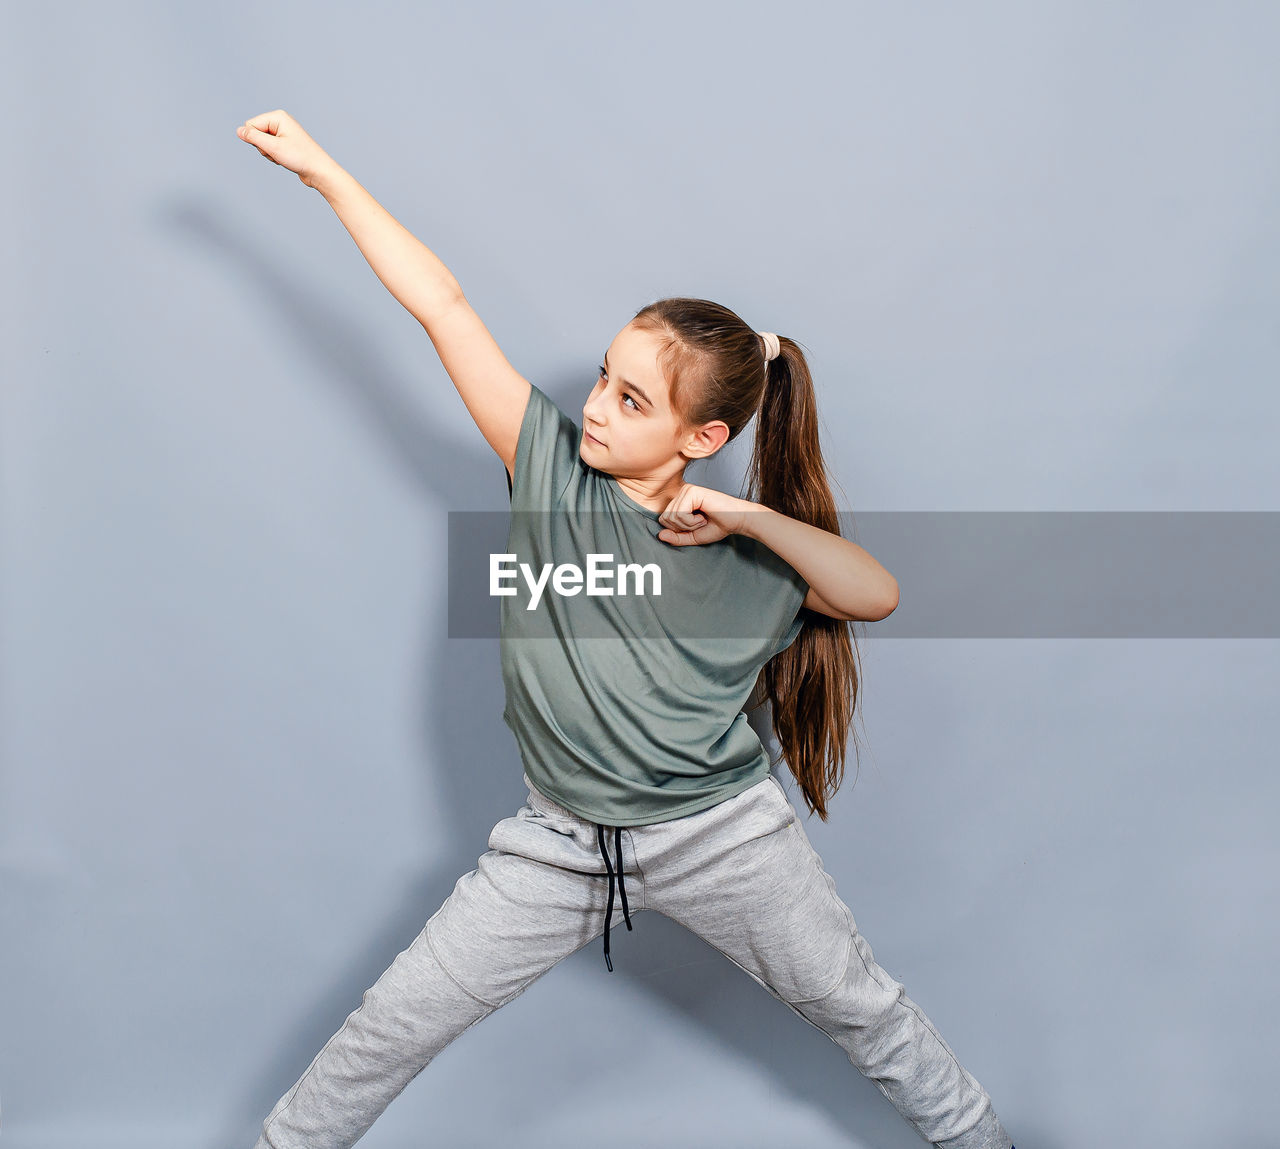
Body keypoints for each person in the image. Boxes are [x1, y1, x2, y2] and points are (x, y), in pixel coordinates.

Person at [236, 110, 1017, 1149]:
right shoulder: (550, 467)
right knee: (389, 1026)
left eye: (629, 398)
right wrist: (322, 171)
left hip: (722, 840)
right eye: (603, 376)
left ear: (700, 438)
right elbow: (441, 304)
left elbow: (872, 594)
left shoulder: (756, 554)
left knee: (860, 1010)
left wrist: (743, 516)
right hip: (555, 848)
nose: (596, 407)